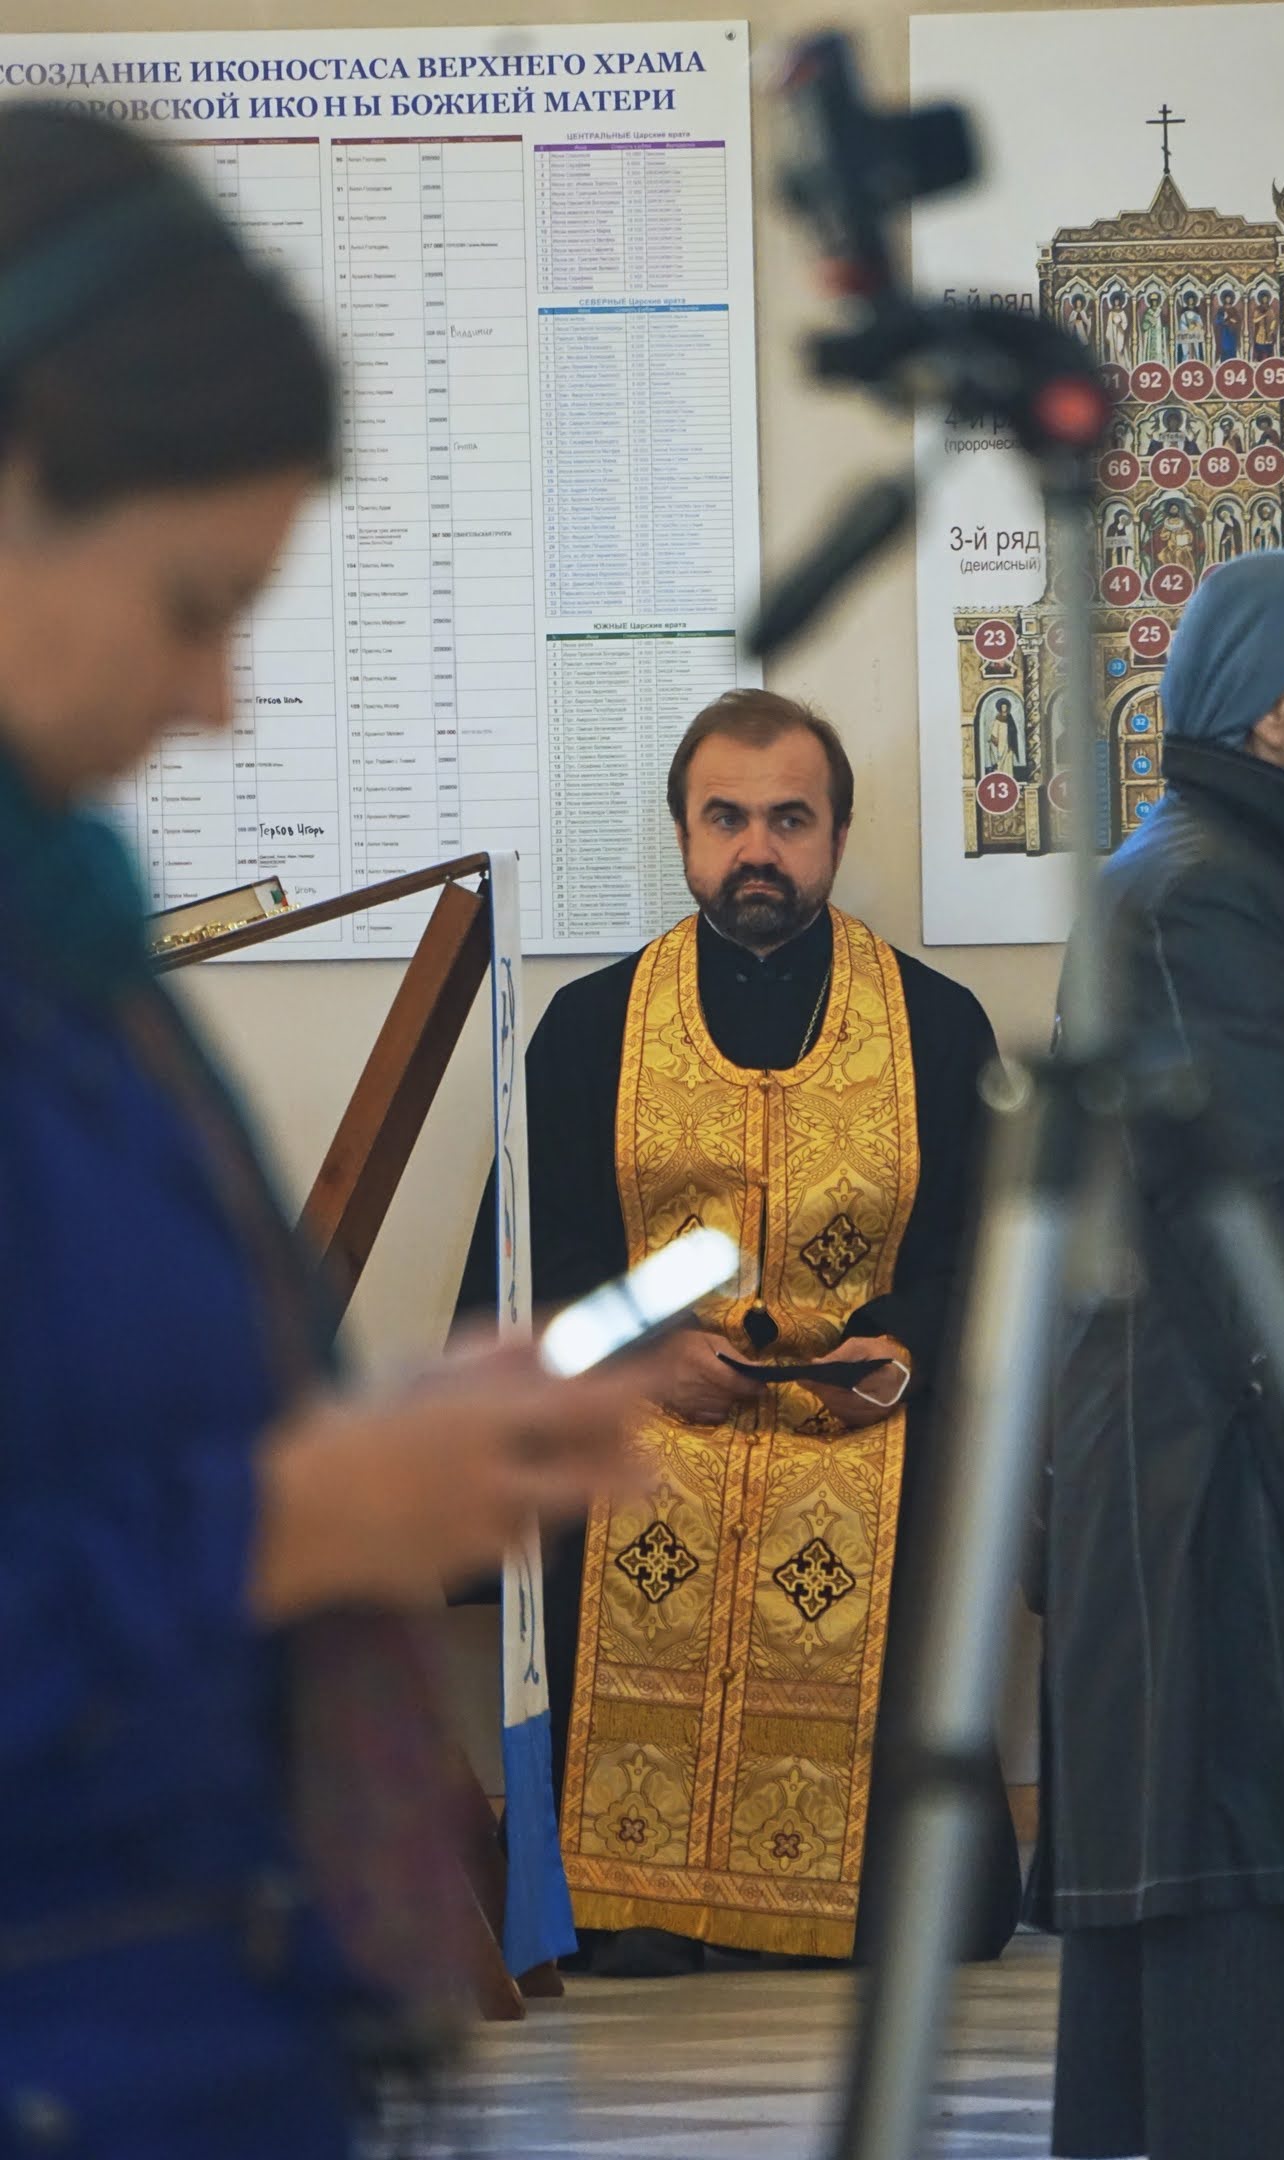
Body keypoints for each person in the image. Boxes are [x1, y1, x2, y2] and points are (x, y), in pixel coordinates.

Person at [0, 104, 660, 2157]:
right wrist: (302, 1522)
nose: (216, 702)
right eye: (196, 602)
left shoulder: (70, 938)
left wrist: (380, 1453)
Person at [456, 690, 1021, 1979]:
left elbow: (982, 1256)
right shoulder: (588, 1027)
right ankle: (631, 1907)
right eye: (727, 819)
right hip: (650, 1419)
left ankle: (882, 1906)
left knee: (931, 1492)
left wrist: (904, 1349)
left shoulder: (940, 1026)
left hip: (861, 1426)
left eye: (788, 820)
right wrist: (643, 1353)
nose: (756, 850)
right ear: (682, 833)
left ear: (835, 835)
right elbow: (526, 1273)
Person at [1034, 551, 1284, 2160]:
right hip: (1242, 1522)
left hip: (1255, 1491)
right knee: (1283, 2033)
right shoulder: (1208, 893)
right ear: (1274, 708)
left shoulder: (1243, 877)